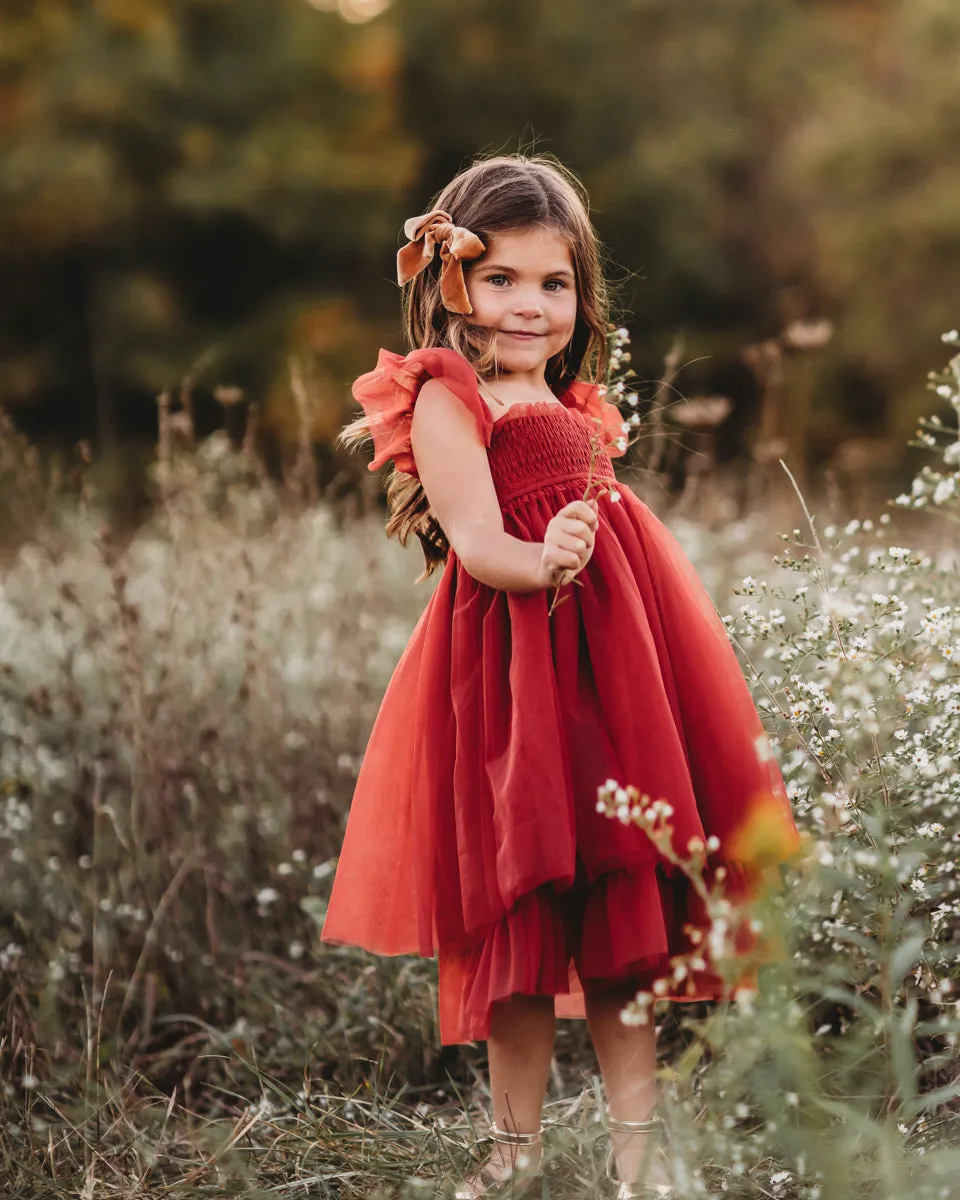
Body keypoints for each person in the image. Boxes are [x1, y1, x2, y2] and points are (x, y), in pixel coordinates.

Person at [321, 154, 799, 1198]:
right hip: (516, 679)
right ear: (452, 283)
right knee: (523, 923)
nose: (530, 305)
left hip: (615, 675)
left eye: (555, 282)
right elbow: (478, 541)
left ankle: (637, 1154)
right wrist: (544, 561)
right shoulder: (451, 397)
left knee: (625, 913)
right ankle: (515, 1154)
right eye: (501, 279)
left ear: (581, 292)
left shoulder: (577, 400)